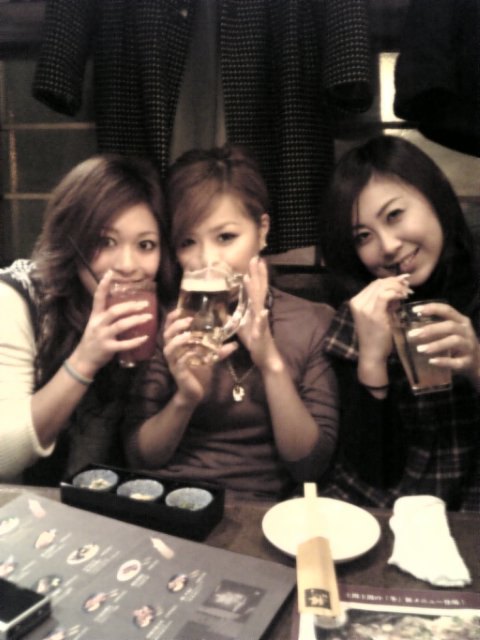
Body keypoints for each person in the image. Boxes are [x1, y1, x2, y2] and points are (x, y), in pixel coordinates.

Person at [123, 144, 338, 498]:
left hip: (264, 511)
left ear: (262, 231)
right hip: (170, 500)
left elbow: (309, 466)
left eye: (226, 237)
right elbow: (140, 457)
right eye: (187, 242)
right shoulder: (168, 322)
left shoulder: (312, 321)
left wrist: (270, 363)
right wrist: (185, 399)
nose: (207, 259)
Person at [319, 135, 480, 511]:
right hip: (380, 504)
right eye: (364, 236)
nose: (388, 246)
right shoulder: (360, 314)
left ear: (434, 197)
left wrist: (476, 365)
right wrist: (372, 361)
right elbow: (372, 471)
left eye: (394, 215)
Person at [0, 154, 174, 485]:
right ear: (71, 239)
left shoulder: (161, 305)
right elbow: (2, 457)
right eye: (105, 241)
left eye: (145, 245)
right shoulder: (17, 299)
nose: (128, 265)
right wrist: (85, 360)